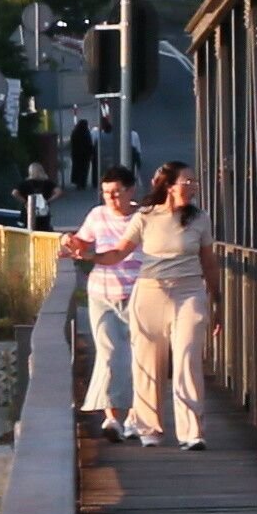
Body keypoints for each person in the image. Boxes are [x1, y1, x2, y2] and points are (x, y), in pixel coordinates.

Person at [126, 169, 213, 448]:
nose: (193, 185)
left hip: (189, 291)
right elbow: (119, 251)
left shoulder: (200, 218)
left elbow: (209, 261)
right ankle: (149, 428)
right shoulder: (145, 217)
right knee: (147, 361)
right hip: (150, 292)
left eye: (194, 180)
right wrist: (88, 253)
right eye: (188, 180)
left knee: (187, 357)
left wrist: (218, 299)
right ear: (170, 186)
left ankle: (192, 432)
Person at [71, 173, 141, 423]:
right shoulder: (97, 215)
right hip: (102, 293)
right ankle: (112, 417)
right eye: (106, 192)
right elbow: (82, 239)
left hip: (138, 294)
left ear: (131, 191)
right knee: (109, 354)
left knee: (138, 357)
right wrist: (70, 242)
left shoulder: (144, 218)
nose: (110, 197)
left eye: (116, 191)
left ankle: (135, 416)